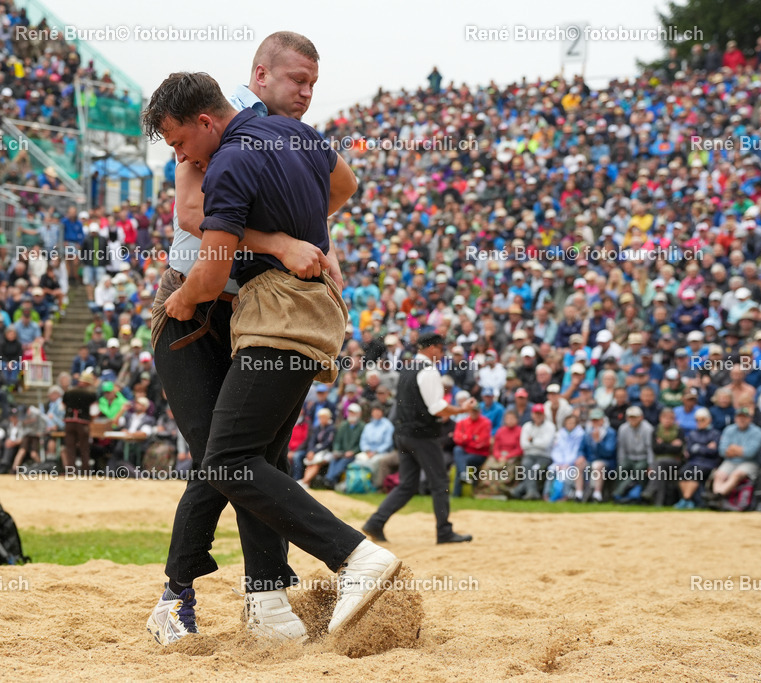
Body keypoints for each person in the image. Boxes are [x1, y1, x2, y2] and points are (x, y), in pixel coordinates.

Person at [147, 70, 400, 639]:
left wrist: (304, 238)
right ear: (259, 77)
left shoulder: (284, 136)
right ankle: (177, 596)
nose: (306, 93)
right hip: (202, 307)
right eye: (297, 81)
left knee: (244, 461)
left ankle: (271, 600)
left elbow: (341, 187)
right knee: (224, 461)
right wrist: (282, 242)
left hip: (252, 311)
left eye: (313, 82)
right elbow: (192, 217)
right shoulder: (225, 132)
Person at [363, 333, 475, 542]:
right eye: (441, 350)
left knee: (407, 485)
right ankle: (444, 531)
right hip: (422, 436)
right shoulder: (429, 370)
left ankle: (376, 522)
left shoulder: (407, 369)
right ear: (432, 348)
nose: (442, 355)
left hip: (404, 434)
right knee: (439, 482)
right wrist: (462, 410)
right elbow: (437, 408)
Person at [710, 405, 761, 504]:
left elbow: (750, 453)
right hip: (730, 461)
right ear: (735, 418)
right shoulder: (729, 430)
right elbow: (722, 451)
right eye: (739, 417)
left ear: (750, 419)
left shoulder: (757, 432)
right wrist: (741, 451)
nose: (742, 419)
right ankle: (716, 496)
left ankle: (718, 496)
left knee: (737, 474)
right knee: (719, 474)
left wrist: (733, 449)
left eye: (744, 417)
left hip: (750, 462)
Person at [510, 404, 556, 500]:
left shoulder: (550, 426)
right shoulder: (527, 426)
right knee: (526, 464)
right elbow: (524, 445)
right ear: (532, 415)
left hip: (544, 456)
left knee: (534, 470)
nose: (538, 416)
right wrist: (538, 442)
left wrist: (532, 441)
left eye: (540, 414)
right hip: (529, 455)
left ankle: (518, 491)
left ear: (544, 415)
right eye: (536, 414)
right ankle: (532, 493)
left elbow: (545, 445)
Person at [613, 406, 655, 501]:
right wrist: (621, 462)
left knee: (639, 469)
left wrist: (651, 465)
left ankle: (640, 494)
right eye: (630, 417)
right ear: (627, 418)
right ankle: (620, 494)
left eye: (635, 417)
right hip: (629, 457)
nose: (633, 419)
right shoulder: (623, 428)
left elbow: (650, 449)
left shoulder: (648, 429)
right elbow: (621, 448)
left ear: (641, 417)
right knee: (622, 467)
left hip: (643, 457)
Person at [62, 372, 97, 472]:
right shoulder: (91, 394)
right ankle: (85, 470)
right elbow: (94, 410)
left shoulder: (69, 391)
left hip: (69, 422)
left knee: (70, 447)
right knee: (84, 447)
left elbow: (62, 407)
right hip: (83, 422)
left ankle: (70, 470)